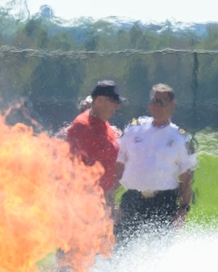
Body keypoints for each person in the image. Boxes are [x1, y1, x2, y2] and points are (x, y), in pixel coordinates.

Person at [113, 84, 196, 245]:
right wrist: (110, 197)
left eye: (161, 102)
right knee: (120, 248)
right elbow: (119, 166)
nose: (156, 106)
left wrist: (183, 209)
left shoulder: (180, 139)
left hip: (163, 202)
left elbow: (186, 178)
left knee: (160, 249)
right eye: (153, 101)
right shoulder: (133, 130)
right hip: (133, 200)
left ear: (173, 105)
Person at [64, 80, 124, 215]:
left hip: (104, 198)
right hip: (87, 201)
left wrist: (110, 197)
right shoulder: (83, 126)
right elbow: (70, 165)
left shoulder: (105, 124)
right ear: (99, 101)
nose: (117, 106)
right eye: (113, 102)